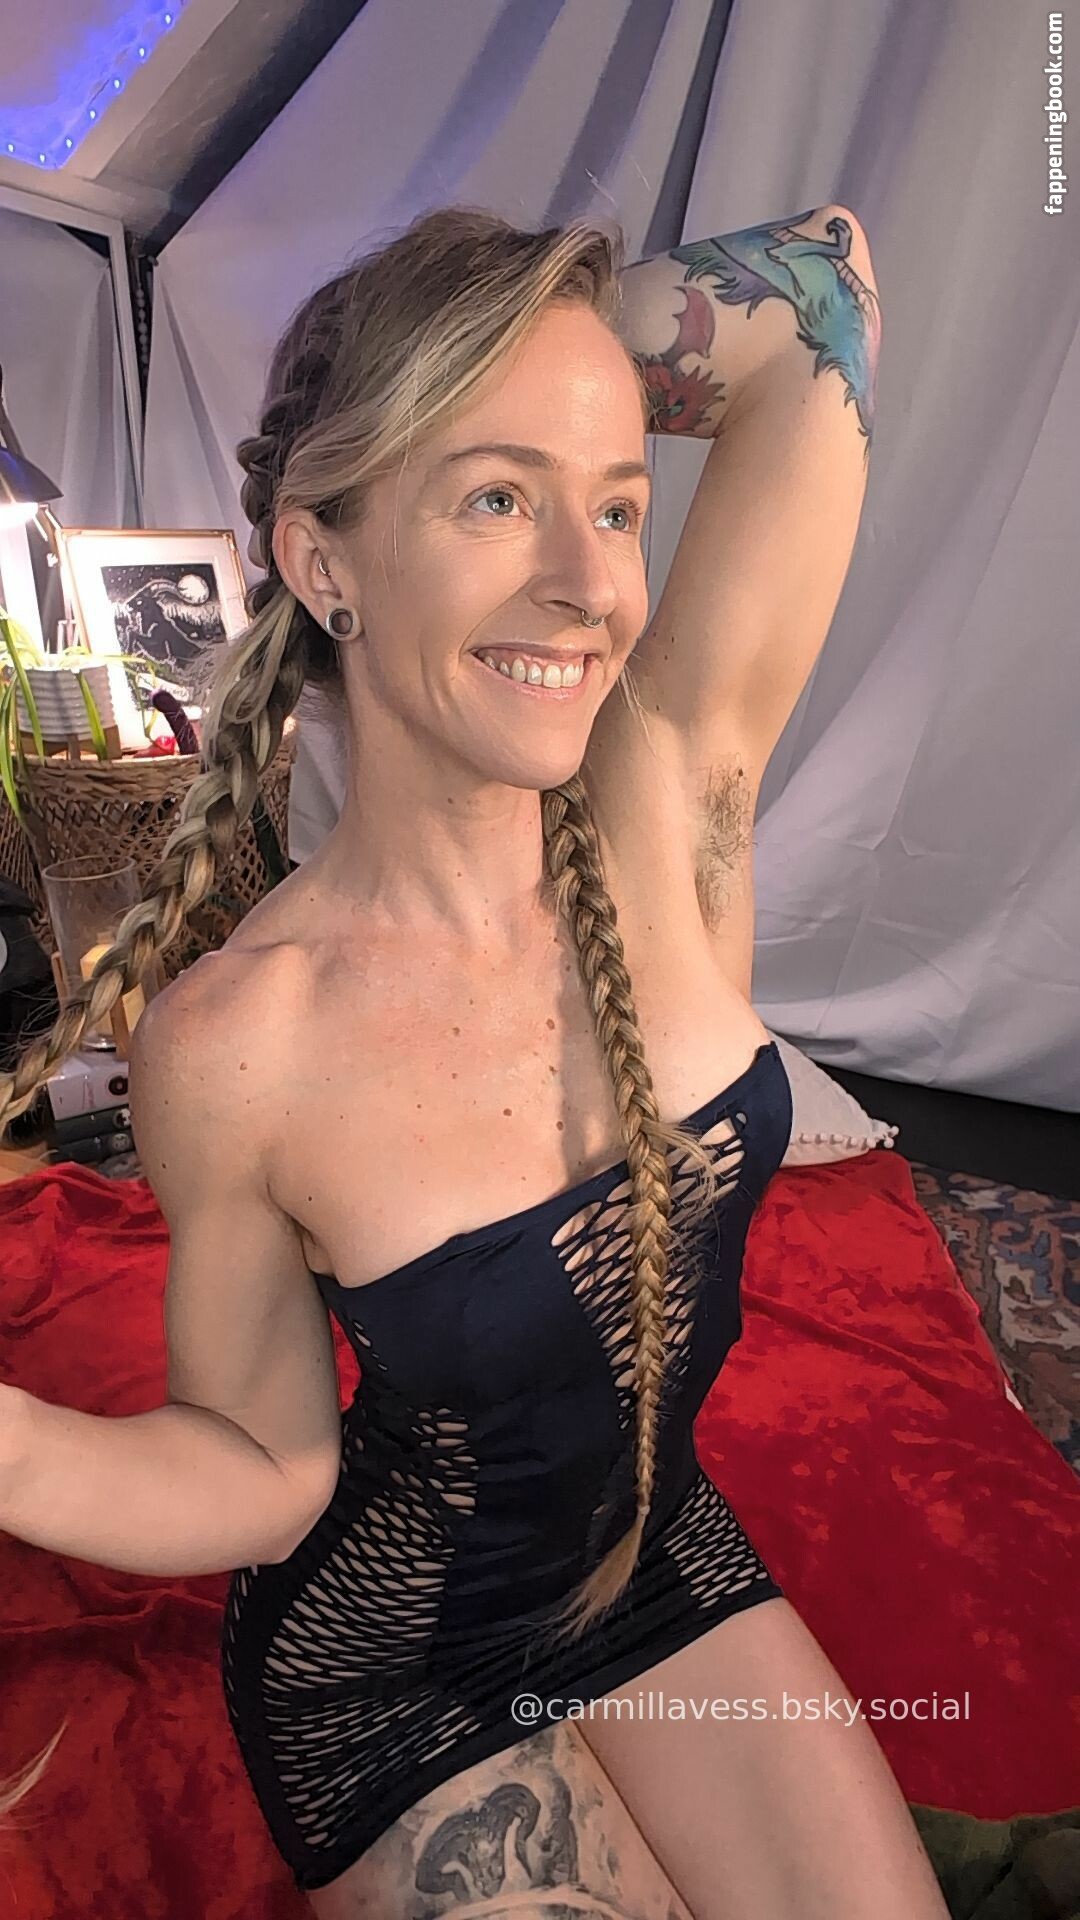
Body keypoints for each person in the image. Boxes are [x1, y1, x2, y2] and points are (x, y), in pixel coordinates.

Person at [0, 207, 949, 1919]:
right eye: (497, 498)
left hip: (652, 1548)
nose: (590, 583)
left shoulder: (669, 791)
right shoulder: (236, 1044)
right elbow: (262, 1467)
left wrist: (525, 358)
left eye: (617, 503)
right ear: (326, 562)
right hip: (393, 1667)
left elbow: (823, 285)